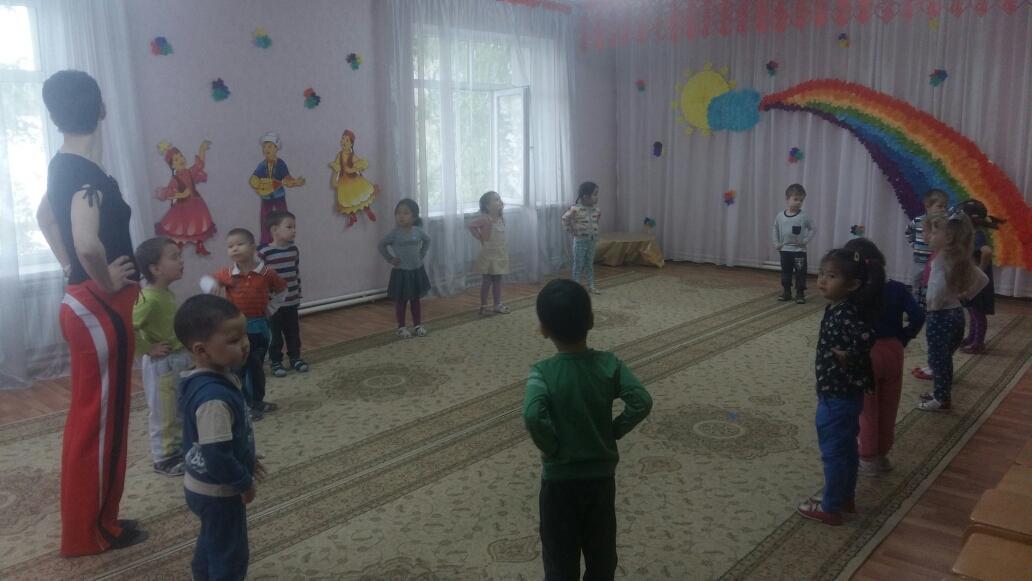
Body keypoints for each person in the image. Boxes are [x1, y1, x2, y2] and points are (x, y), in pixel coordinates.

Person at [36, 69, 147, 555]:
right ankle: (92, 533)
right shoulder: (87, 176)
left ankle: (97, 521)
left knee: (94, 419)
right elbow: (87, 242)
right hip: (100, 308)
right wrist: (104, 280)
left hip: (84, 304)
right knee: (102, 423)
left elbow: (45, 217)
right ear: (102, 108)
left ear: (54, 117)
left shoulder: (62, 165)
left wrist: (71, 271)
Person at [523, 279, 653, 580]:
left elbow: (532, 415)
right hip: (600, 480)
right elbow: (642, 401)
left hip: (559, 484)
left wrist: (552, 447)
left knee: (559, 560)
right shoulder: (610, 364)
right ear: (591, 320)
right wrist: (614, 430)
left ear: (543, 328)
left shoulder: (542, 373)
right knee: (601, 556)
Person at [175, 295, 264, 581]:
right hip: (219, 491)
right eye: (234, 340)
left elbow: (221, 441)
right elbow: (216, 455)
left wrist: (246, 457)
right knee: (230, 554)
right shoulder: (213, 398)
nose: (245, 344)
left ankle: (202, 574)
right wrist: (243, 481)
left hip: (204, 486)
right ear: (201, 350)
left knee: (214, 539)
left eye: (244, 335)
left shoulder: (213, 377)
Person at [797, 248, 884, 526]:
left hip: (838, 394)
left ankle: (830, 506)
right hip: (839, 391)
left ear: (853, 285)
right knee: (846, 447)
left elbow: (868, 336)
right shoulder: (837, 308)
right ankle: (845, 496)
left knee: (834, 451)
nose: (822, 280)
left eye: (832, 276)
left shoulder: (846, 313)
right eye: (822, 273)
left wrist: (851, 355)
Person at [844, 238, 924, 476]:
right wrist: (904, 337)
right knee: (889, 404)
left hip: (865, 353)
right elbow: (918, 316)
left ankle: (868, 457)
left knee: (866, 409)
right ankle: (882, 454)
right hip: (894, 351)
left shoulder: (854, 292)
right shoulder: (897, 288)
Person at [209, 228, 287, 420]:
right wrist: (214, 286)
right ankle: (244, 405)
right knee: (239, 369)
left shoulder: (266, 273)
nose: (234, 249)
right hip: (236, 330)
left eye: (239, 244)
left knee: (257, 367)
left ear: (253, 247)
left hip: (260, 326)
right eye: (230, 246)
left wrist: (271, 309)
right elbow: (211, 281)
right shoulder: (226, 274)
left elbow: (282, 289)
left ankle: (257, 401)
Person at [916, 213, 988, 412]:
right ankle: (939, 393)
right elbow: (983, 279)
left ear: (948, 237)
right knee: (942, 359)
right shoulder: (958, 258)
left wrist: (933, 306)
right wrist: (964, 296)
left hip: (940, 317)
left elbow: (937, 291)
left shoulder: (941, 260)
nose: (929, 236)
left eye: (934, 232)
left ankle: (941, 399)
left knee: (939, 360)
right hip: (956, 314)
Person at [133, 237, 191, 476]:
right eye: (174, 257)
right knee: (163, 411)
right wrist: (148, 348)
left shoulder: (164, 293)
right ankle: (164, 458)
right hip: (161, 364)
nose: (181, 261)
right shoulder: (147, 299)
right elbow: (127, 327)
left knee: (178, 407)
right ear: (156, 269)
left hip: (175, 359)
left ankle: (179, 449)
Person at [258, 211, 309, 377]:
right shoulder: (264, 252)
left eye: (294, 227)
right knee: (275, 335)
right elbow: (259, 279)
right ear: (274, 230)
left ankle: (295, 358)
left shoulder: (293, 250)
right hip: (273, 304)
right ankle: (276, 361)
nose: (294, 230)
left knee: (293, 332)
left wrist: (298, 294)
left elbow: (295, 273)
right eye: (289, 227)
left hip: (291, 301)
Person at [906, 189, 948, 380]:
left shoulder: (945, 225)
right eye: (940, 206)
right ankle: (917, 309)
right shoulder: (917, 221)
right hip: (919, 260)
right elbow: (908, 233)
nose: (943, 209)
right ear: (928, 206)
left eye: (945, 206)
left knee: (931, 286)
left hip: (934, 260)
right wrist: (914, 245)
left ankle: (929, 307)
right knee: (917, 285)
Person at [378, 199, 432, 339]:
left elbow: (427, 240)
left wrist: (421, 254)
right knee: (401, 301)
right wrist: (390, 259)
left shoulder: (418, 231)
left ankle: (417, 325)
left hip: (416, 270)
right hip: (401, 272)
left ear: (414, 216)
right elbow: (381, 245)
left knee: (415, 300)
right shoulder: (394, 234)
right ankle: (401, 327)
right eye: (398, 213)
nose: (401, 216)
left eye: (405, 213)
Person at [154, 139, 216, 255]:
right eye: (176, 159)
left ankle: (199, 245)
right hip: (182, 206)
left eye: (181, 156)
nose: (181, 160)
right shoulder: (174, 179)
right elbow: (170, 193)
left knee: (198, 224)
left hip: (196, 203)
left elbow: (199, 165)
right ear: (172, 165)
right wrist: (181, 194)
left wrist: (202, 149)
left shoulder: (189, 172)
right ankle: (178, 245)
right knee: (181, 226)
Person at [956, 199, 1001, 355]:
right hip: (971, 279)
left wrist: (979, 271)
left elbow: (987, 252)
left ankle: (978, 343)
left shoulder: (978, 235)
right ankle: (972, 338)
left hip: (977, 282)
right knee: (972, 310)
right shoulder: (971, 233)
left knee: (977, 312)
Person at [248, 132, 305, 245]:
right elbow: (254, 178)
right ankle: (265, 244)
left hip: (279, 198)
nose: (266, 149)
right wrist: (257, 184)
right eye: (264, 147)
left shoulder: (280, 164)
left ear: (276, 148)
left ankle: (285, 241)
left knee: (283, 220)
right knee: (265, 220)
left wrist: (295, 182)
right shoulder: (262, 165)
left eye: (269, 146)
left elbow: (288, 179)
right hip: (266, 198)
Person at [772, 183, 816, 304]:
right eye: (795, 199)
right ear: (787, 199)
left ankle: (800, 293)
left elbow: (813, 229)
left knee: (800, 272)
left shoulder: (804, 216)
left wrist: (805, 241)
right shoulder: (780, 216)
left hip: (799, 252)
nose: (798, 202)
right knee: (786, 272)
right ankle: (786, 292)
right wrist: (776, 243)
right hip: (785, 251)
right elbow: (775, 229)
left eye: (801, 200)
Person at [468, 191, 511, 316]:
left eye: (499, 199)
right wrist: (480, 237)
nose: (499, 201)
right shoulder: (486, 219)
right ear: (487, 206)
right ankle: (484, 306)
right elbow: (471, 225)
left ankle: (497, 304)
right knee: (486, 282)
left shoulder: (502, 219)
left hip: (499, 254)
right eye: (496, 200)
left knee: (498, 281)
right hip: (488, 255)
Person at [330, 129, 378, 227]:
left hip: (354, 180)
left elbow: (359, 164)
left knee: (362, 196)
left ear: (351, 144)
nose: (344, 141)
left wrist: (351, 169)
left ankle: (368, 211)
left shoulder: (352, 155)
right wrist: (334, 178)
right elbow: (337, 167)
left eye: (347, 140)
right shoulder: (339, 155)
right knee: (347, 200)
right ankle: (352, 216)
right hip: (344, 181)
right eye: (343, 139)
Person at [561, 181, 603, 294]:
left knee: (589, 264)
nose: (597, 197)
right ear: (585, 196)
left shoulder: (596, 210)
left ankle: (591, 286)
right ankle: (575, 287)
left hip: (592, 240)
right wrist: (572, 231)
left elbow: (596, 222)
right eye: (595, 194)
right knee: (578, 265)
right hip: (580, 241)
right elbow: (564, 219)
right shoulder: (575, 209)